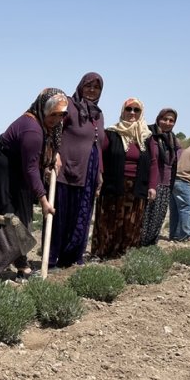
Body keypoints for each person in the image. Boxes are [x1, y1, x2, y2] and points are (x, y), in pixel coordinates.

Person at [0, 88, 67, 286]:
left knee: (21, 219)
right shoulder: (33, 130)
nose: (55, 119)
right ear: (42, 109)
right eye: (52, 114)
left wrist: (53, 156)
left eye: (60, 115)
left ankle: (21, 264)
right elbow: (31, 168)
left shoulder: (46, 127)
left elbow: (40, 156)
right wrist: (44, 200)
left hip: (16, 173)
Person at [49, 72, 106, 268]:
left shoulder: (98, 114)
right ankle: (51, 259)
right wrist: (54, 153)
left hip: (88, 174)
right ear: (81, 86)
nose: (92, 90)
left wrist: (99, 173)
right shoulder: (69, 106)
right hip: (67, 170)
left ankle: (71, 258)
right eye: (88, 86)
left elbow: (98, 145)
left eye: (96, 87)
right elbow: (54, 129)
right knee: (61, 216)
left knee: (81, 215)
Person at [90, 98, 159, 261]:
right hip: (113, 184)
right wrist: (99, 174)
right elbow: (99, 153)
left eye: (137, 110)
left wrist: (152, 186)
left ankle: (124, 254)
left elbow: (154, 163)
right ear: (123, 111)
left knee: (132, 221)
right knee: (109, 219)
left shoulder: (147, 137)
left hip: (137, 186)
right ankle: (102, 253)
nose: (132, 113)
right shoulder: (112, 133)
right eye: (129, 109)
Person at [140, 108, 182, 246]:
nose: (168, 123)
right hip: (152, 182)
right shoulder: (148, 133)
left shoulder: (173, 140)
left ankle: (151, 244)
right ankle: (140, 243)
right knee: (146, 215)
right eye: (165, 119)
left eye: (171, 120)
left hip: (166, 182)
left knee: (159, 216)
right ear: (158, 118)